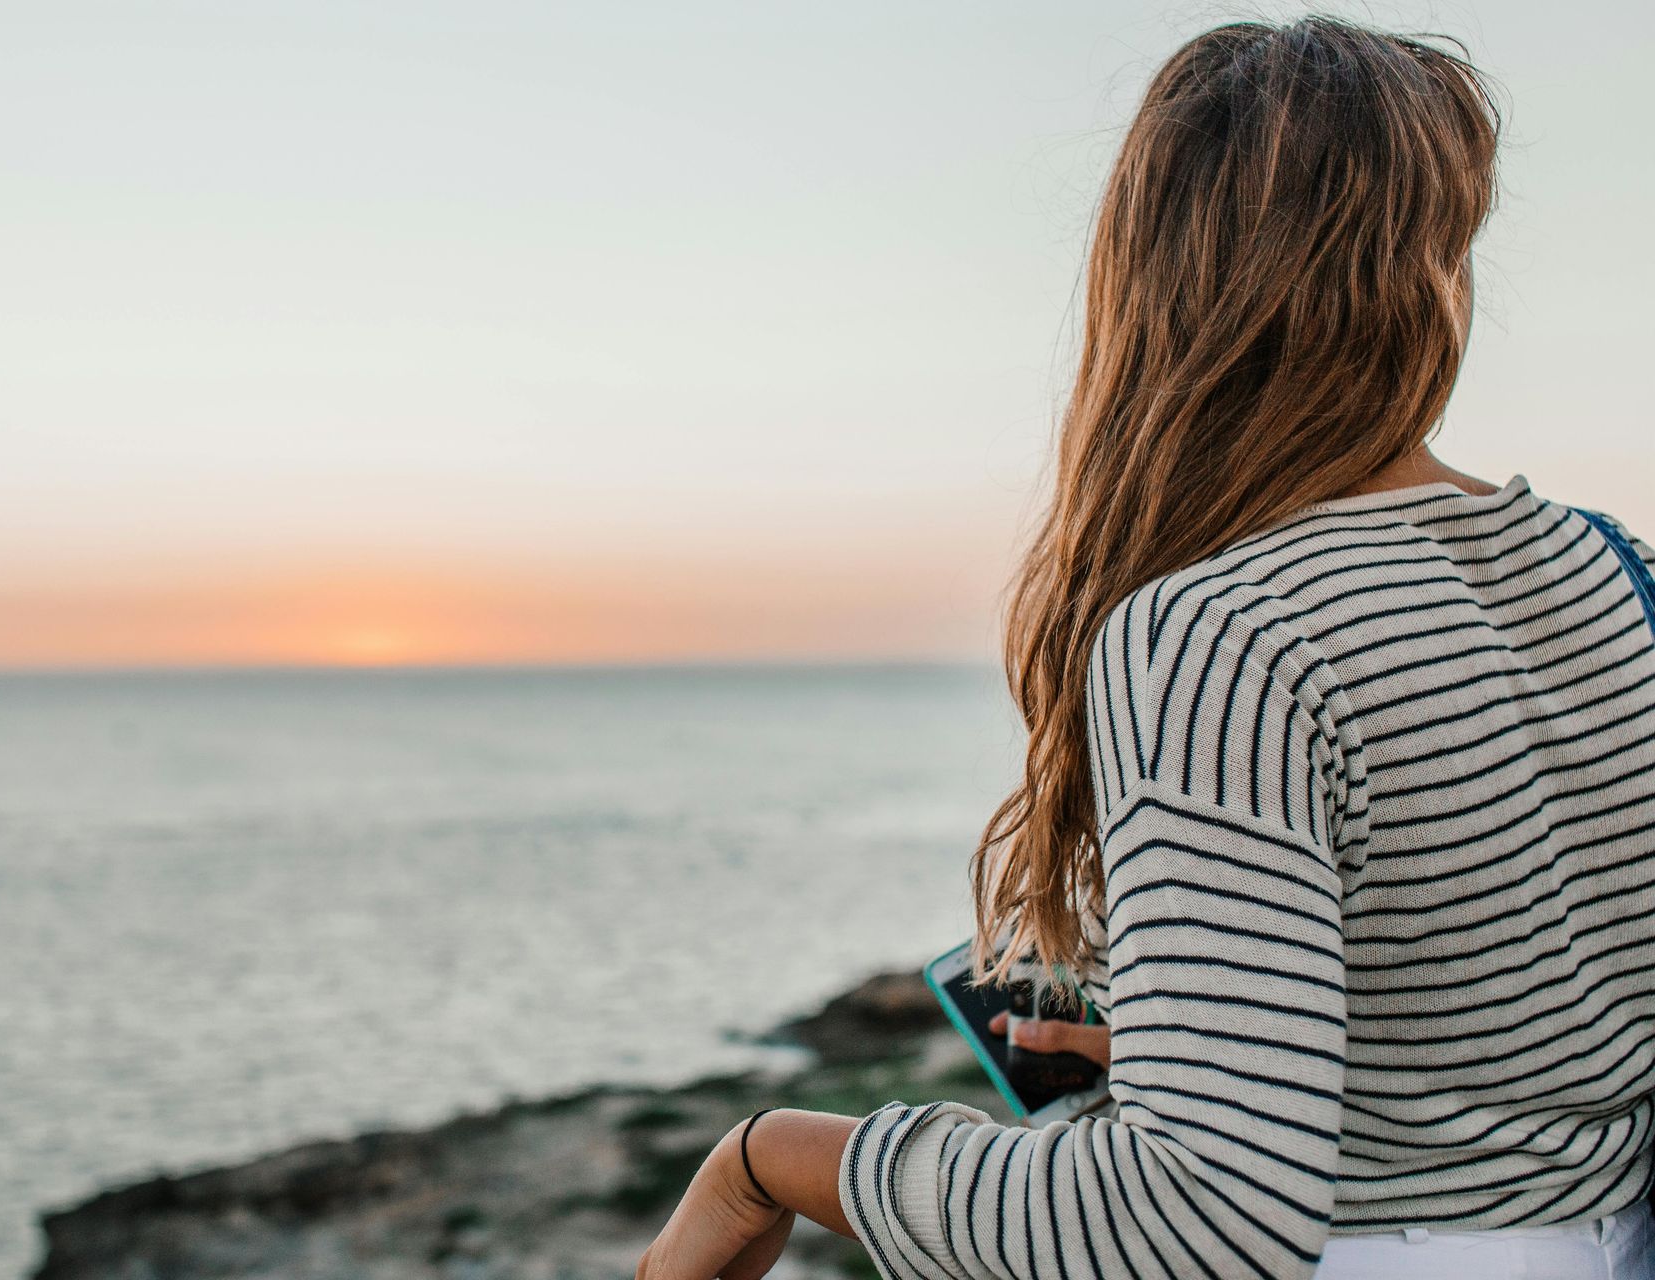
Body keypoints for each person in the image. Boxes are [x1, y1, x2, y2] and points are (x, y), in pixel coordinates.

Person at [636, 15, 1655, 1280]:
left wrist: (773, 1155)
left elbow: (1200, 1215)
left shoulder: (1221, 633)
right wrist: (1213, 1045)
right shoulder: (1616, 568)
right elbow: (1528, 1010)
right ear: (1431, 268)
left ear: (1156, 283)